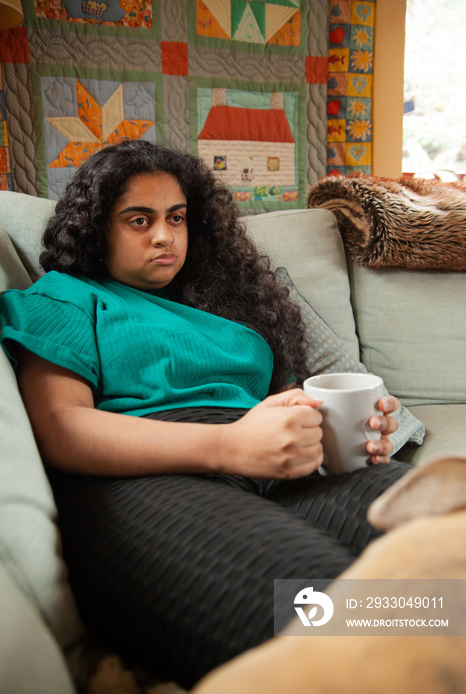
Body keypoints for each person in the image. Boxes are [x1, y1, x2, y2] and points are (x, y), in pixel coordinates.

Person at [0, 140, 409, 688]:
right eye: (139, 220)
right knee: (330, 609)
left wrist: (335, 434)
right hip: (145, 474)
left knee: (438, 568)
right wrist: (230, 446)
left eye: (176, 218)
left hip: (269, 467)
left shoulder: (229, 305)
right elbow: (61, 427)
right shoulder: (66, 296)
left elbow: (278, 406)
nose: (164, 237)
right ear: (97, 228)